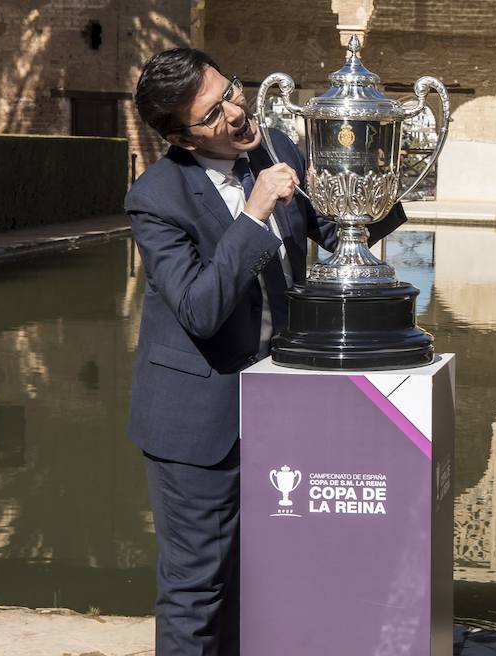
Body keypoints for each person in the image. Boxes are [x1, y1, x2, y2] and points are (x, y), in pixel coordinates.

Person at [126, 48, 406, 656]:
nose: (236, 110)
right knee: (198, 588)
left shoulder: (276, 147)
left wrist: (371, 163)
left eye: (230, 90)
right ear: (181, 137)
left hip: (283, 414)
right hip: (197, 426)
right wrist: (254, 214)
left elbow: (339, 231)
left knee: (268, 578)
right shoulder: (157, 197)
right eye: (213, 112)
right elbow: (200, 308)